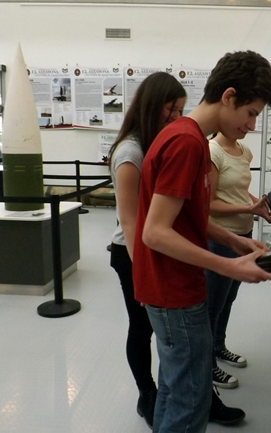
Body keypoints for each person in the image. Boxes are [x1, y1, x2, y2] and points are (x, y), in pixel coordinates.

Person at [132, 50, 271, 432]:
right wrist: (229, 266)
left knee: (174, 390)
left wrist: (232, 241)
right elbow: (155, 232)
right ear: (228, 96)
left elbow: (187, 216)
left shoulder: (187, 137)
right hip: (175, 290)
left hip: (169, 287)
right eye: (250, 113)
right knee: (191, 399)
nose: (251, 125)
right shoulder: (188, 142)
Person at [108, 72, 186, 428]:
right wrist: (144, 276)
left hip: (151, 248)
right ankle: (146, 393)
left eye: (181, 110)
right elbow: (130, 222)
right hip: (131, 253)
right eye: (171, 108)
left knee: (156, 327)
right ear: (152, 105)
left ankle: (165, 390)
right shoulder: (130, 153)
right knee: (141, 328)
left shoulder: (155, 142)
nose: (176, 116)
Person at [206, 132, 271, 389]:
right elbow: (209, 204)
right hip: (222, 238)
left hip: (244, 235)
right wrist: (249, 209)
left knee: (228, 298)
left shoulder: (245, 151)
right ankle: (206, 364)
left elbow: (241, 192)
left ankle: (218, 346)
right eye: (248, 115)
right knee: (213, 303)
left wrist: (259, 207)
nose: (250, 125)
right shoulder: (212, 152)